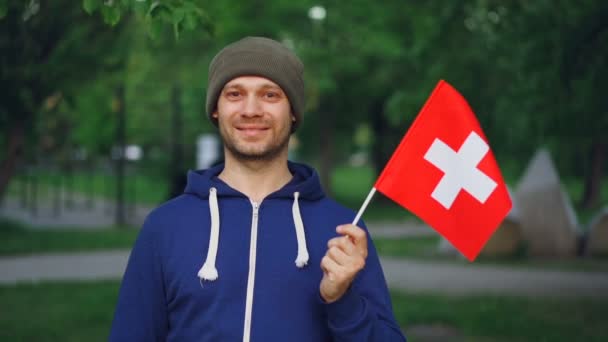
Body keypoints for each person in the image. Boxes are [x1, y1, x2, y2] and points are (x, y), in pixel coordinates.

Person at [109, 36, 406, 342]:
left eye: (270, 95)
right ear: (216, 109)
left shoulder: (343, 232)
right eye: (235, 94)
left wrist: (342, 301)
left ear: (293, 111)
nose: (251, 110)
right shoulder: (165, 227)